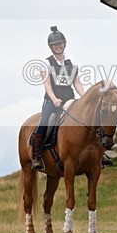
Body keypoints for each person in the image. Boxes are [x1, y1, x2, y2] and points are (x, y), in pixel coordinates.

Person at [29, 26, 85, 171]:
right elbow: (47, 85)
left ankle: (97, 152)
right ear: (51, 47)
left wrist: (84, 98)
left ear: (64, 44)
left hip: (69, 99)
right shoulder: (46, 63)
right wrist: (54, 99)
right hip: (52, 100)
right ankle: (36, 155)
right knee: (45, 122)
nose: (58, 46)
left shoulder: (71, 64)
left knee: (87, 119)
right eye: (55, 45)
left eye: (60, 44)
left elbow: (77, 83)